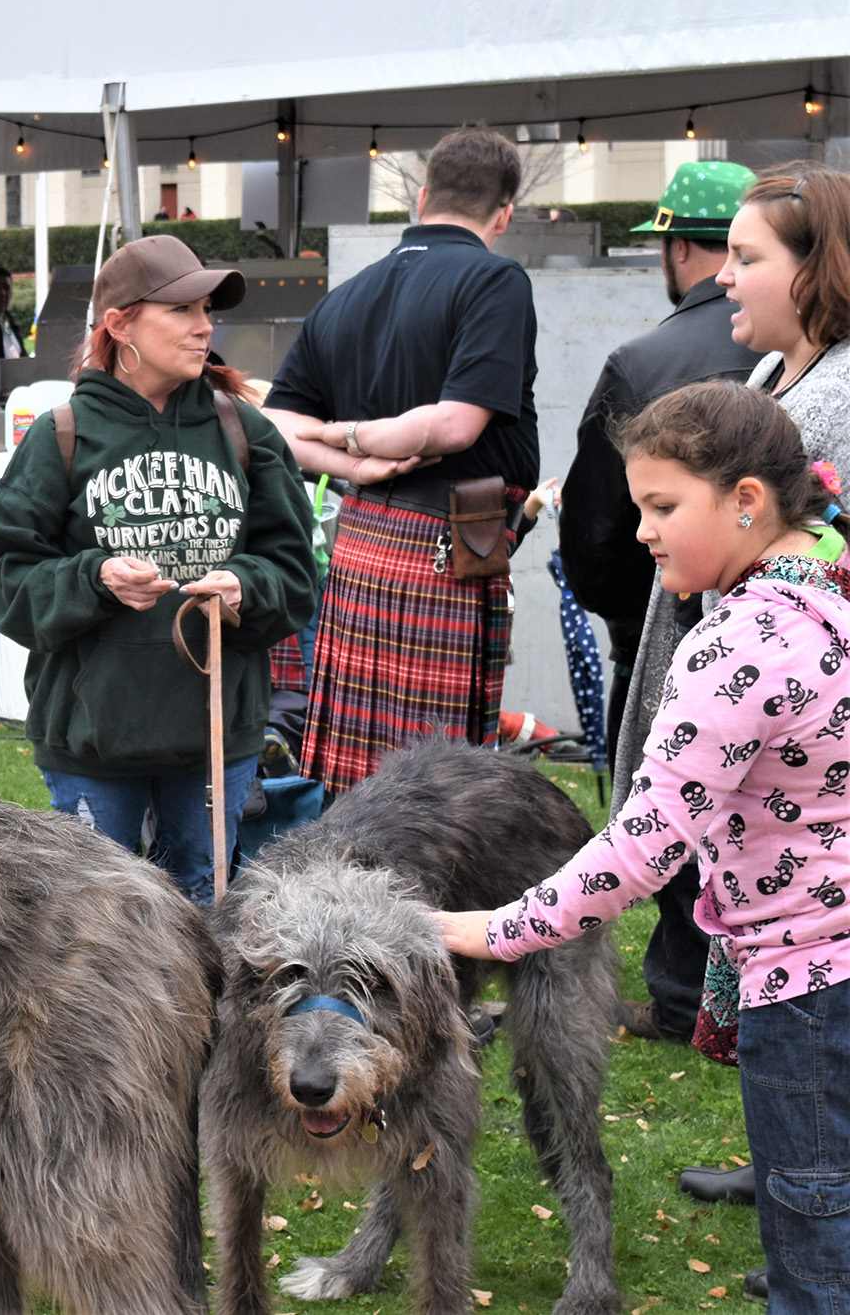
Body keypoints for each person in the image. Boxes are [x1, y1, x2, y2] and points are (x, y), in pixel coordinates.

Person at [432, 380, 850, 1315]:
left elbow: (644, 846)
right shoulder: (828, 571)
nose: (641, 531)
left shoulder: (736, 645)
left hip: (809, 983)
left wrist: (500, 929)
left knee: (813, 1218)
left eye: (662, 506)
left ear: (746, 500)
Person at [0, 235, 317, 903]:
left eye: (206, 309)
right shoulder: (62, 435)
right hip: (95, 740)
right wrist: (93, 578)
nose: (204, 326)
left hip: (215, 736)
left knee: (201, 905)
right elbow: (4, 576)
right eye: (182, 310)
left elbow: (296, 571)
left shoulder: (246, 432)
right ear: (120, 324)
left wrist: (247, 586)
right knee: (95, 924)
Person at [263, 125, 539, 794]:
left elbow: (275, 423)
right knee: (438, 784)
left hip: (360, 543)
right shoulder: (495, 280)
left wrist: (348, 462)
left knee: (354, 776)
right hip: (450, 548)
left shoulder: (348, 293)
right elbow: (454, 425)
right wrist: (357, 445)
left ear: (421, 198)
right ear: (503, 214)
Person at [558, 161, 763, 1045]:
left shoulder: (643, 361)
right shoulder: (809, 358)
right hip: (803, 630)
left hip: (677, 622)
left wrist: (625, 616)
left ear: (679, 246)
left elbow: (596, 524)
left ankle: (685, 989)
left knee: (673, 794)